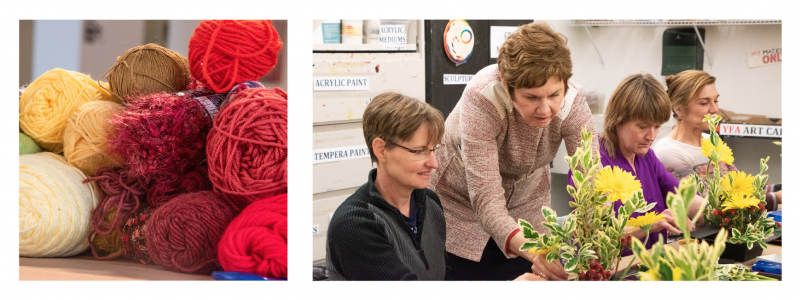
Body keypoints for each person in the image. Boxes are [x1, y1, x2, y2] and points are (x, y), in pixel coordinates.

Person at [429, 21, 596, 281]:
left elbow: (591, 182)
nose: (545, 109)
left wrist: (589, 244)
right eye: (531, 97)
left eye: (554, 94)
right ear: (507, 86)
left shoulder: (573, 100)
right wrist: (536, 250)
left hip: (527, 203)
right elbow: (486, 200)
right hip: (461, 207)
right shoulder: (483, 96)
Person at [572, 73, 706, 252]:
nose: (651, 136)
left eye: (657, 126)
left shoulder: (647, 158)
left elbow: (687, 198)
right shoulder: (592, 164)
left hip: (649, 267)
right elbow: (597, 241)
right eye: (643, 127)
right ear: (618, 120)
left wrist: (726, 212)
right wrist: (648, 225)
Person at [653, 70, 781, 211]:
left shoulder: (711, 140)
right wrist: (776, 197)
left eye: (716, 101)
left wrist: (779, 188)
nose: (714, 109)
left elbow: (738, 185)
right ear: (679, 109)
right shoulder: (668, 152)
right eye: (704, 103)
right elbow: (708, 208)